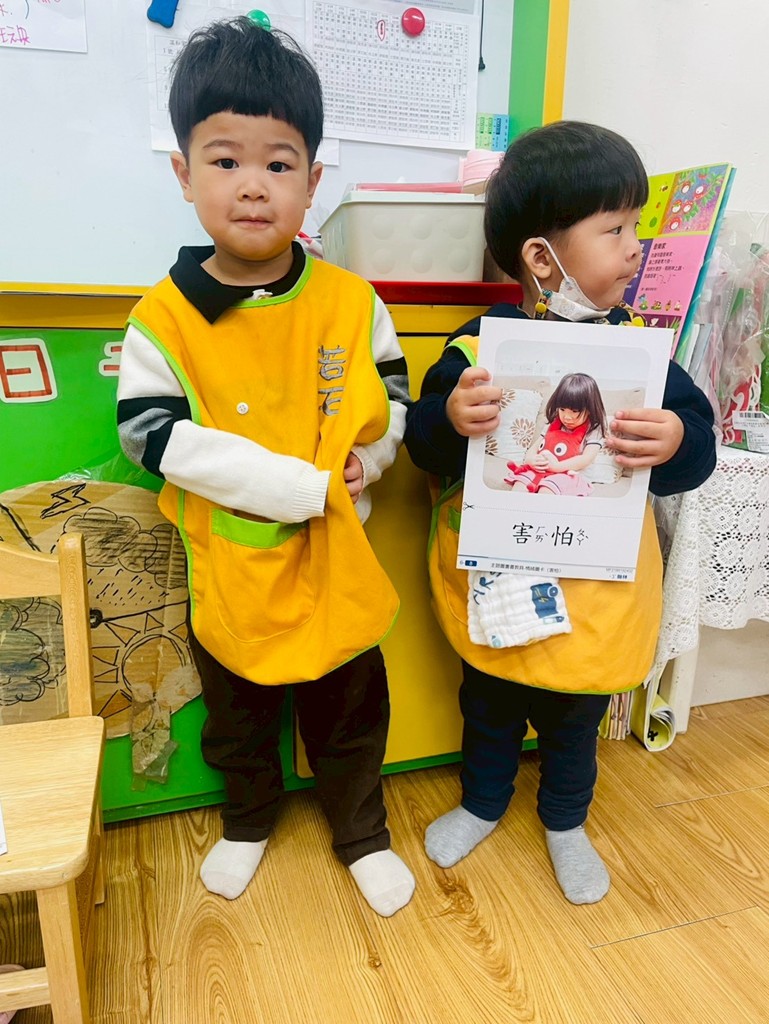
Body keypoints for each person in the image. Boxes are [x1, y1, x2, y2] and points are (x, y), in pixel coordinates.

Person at [117, 17, 415, 918]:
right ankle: (247, 822)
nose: (253, 185)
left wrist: (367, 457)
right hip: (232, 568)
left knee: (349, 708)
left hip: (336, 560)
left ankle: (361, 832)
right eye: (225, 160)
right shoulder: (164, 317)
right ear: (184, 173)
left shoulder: (349, 301)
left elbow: (390, 396)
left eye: (279, 164)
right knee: (240, 714)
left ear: (313, 181)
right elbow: (150, 434)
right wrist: (292, 486)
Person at [404, 121, 716, 905]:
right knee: (489, 701)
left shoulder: (643, 355)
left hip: (595, 591)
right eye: (616, 230)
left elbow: (698, 452)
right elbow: (420, 442)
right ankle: (482, 803)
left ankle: (565, 821)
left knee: (576, 714)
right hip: (500, 582)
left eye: (636, 228)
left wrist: (675, 437)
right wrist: (453, 418)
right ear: (542, 259)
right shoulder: (478, 347)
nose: (635, 248)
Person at [505, 372, 606, 495]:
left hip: (570, 474)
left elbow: (586, 459)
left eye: (574, 411)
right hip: (543, 471)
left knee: (547, 489)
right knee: (521, 483)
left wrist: (557, 467)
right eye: (562, 409)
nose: (567, 417)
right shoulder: (553, 424)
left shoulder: (593, 429)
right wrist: (531, 460)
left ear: (590, 409)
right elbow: (534, 448)